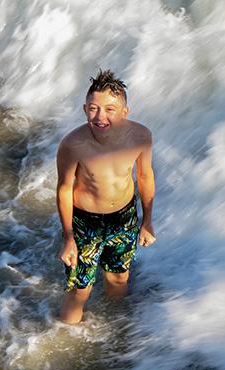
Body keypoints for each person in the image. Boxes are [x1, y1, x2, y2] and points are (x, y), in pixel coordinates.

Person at [56, 69, 156, 324]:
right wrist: (69, 237)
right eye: (93, 108)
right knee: (80, 289)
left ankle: (115, 331)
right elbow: (64, 188)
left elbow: (144, 177)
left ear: (125, 111)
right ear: (84, 108)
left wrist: (147, 221)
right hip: (85, 223)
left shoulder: (140, 137)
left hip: (124, 217)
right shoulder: (73, 145)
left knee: (119, 276)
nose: (100, 117)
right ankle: (65, 340)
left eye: (110, 109)